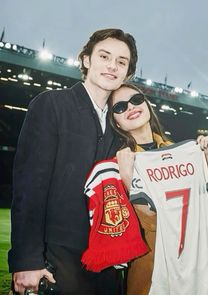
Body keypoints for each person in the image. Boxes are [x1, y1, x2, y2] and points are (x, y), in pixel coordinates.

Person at [8, 28, 138, 295]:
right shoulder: (52, 105)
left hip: (106, 267)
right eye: (104, 56)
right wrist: (26, 260)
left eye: (121, 61)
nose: (113, 65)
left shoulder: (120, 126)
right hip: (57, 263)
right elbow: (29, 188)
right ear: (87, 60)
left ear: (128, 72)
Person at [108, 83, 208, 295]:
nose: (131, 107)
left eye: (136, 99)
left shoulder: (177, 150)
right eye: (120, 107)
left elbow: (197, 206)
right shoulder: (115, 162)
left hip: (190, 266)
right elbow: (148, 221)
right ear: (117, 123)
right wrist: (127, 178)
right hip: (150, 268)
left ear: (147, 105)